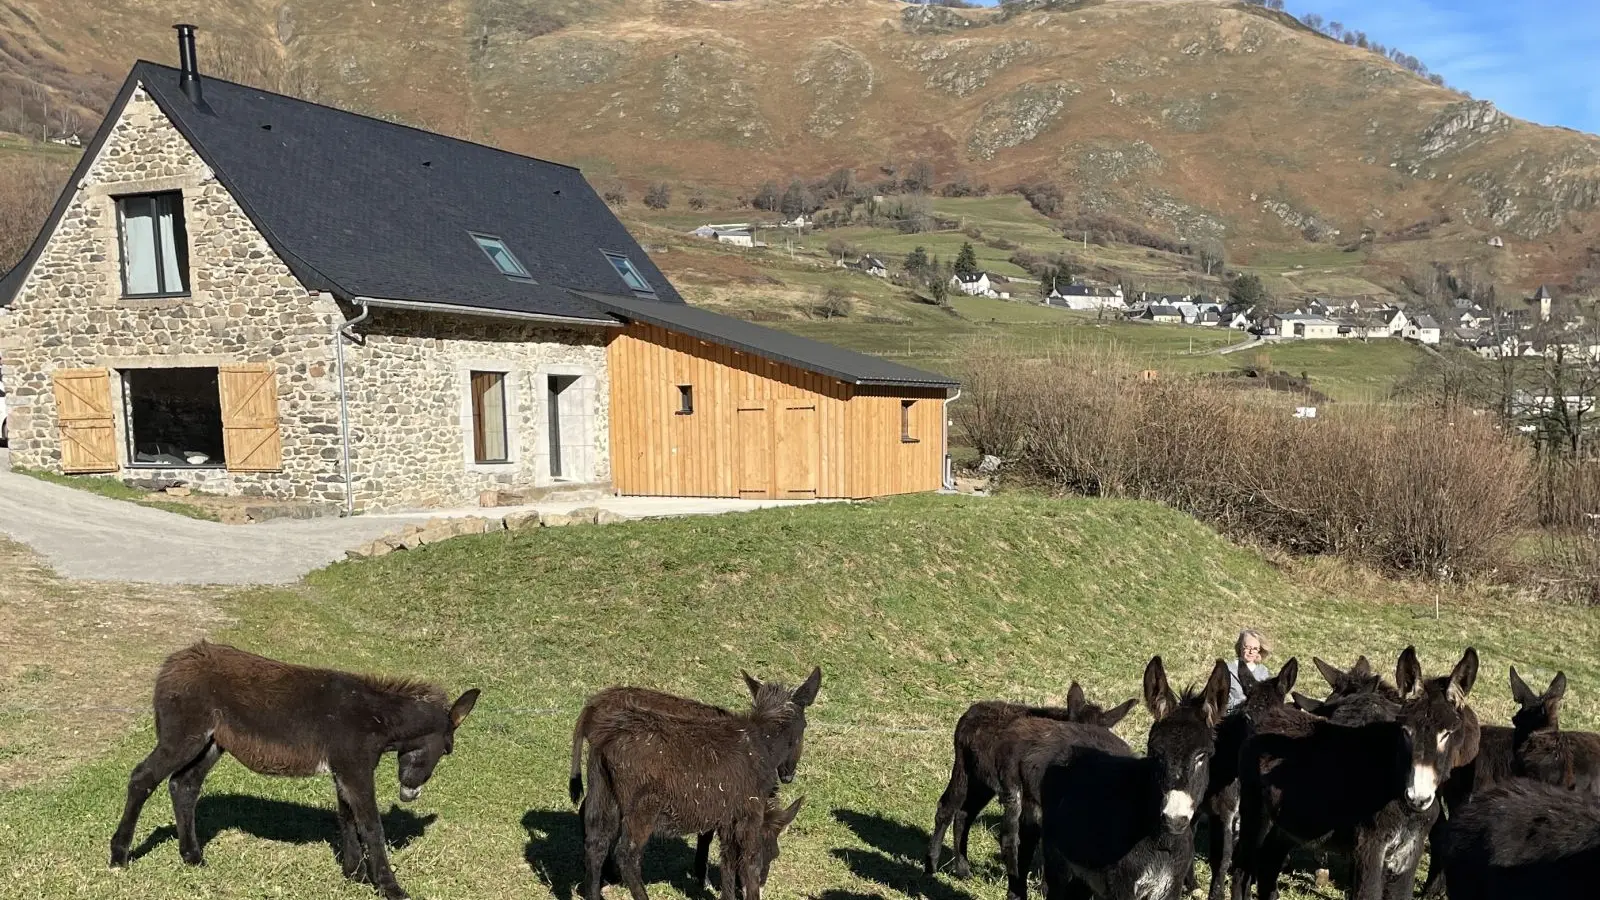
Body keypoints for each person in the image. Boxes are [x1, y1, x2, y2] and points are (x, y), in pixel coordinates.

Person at [1226, 628, 1271, 712]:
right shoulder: (1228, 670)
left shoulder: (1263, 672)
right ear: (1240, 647)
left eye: (1255, 649)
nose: (1251, 652)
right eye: (1247, 647)